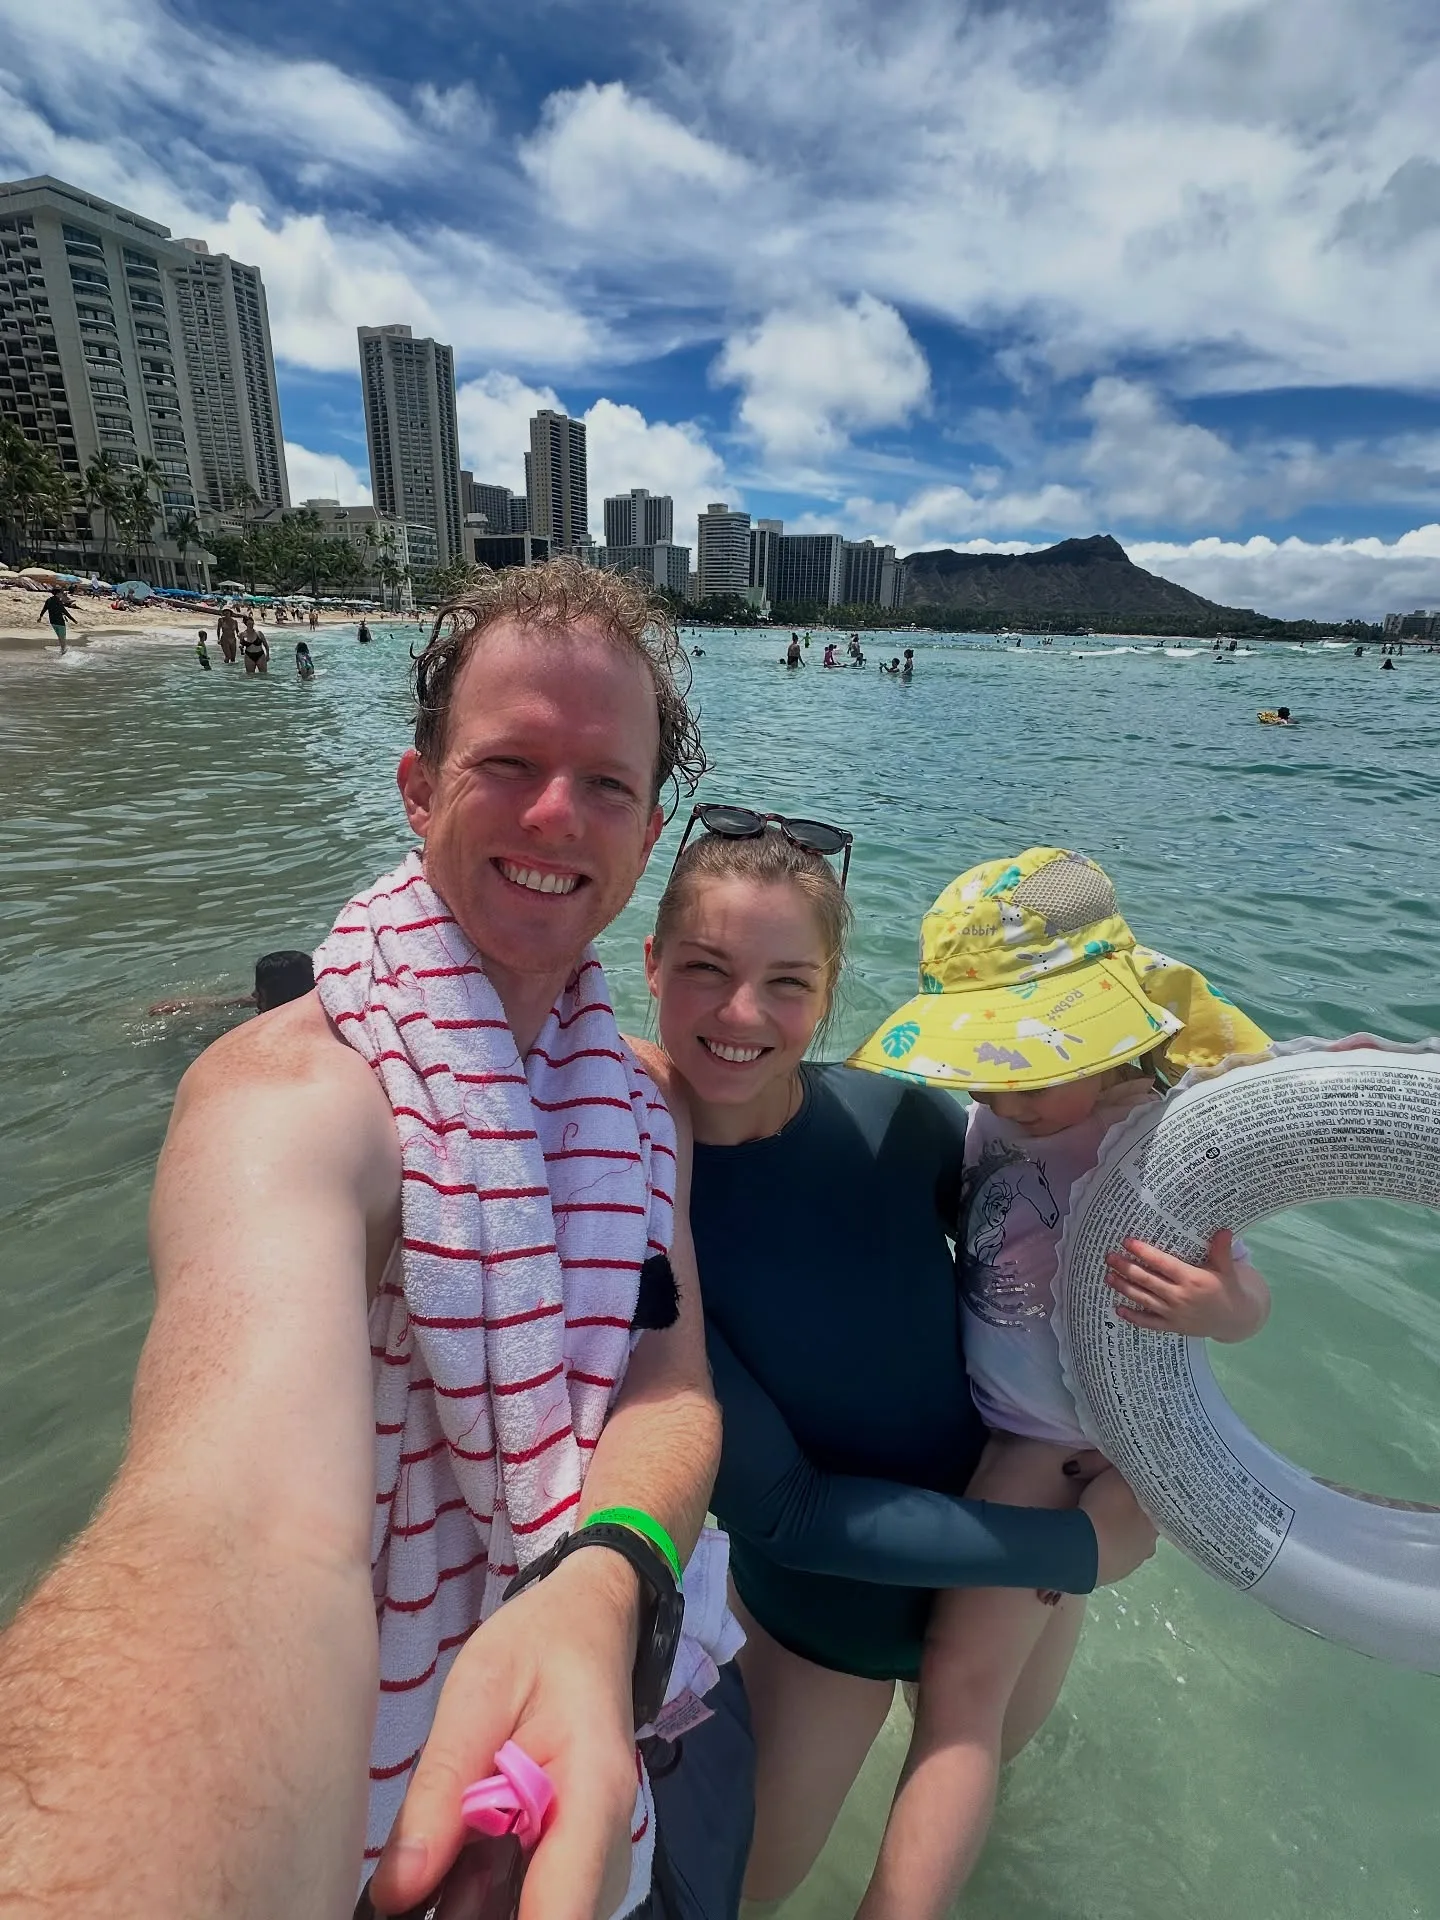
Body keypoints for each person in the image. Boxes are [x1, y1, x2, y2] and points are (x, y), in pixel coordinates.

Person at [0, 560, 732, 1920]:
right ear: (417, 789)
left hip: (574, 1768)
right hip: (354, 1826)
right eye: (509, 761)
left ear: (645, 838)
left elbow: (669, 1381)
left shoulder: (640, 1103)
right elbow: (244, 1524)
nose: (559, 813)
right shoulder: (297, 1094)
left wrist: (605, 1581)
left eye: (608, 785)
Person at [635, 822, 1165, 1914]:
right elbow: (784, 1508)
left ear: (830, 994)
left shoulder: (902, 1121)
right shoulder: (639, 1213)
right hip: (827, 1613)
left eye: (788, 982)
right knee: (727, 1902)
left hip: (1010, 1559)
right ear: (649, 964)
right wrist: (1084, 1543)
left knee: (977, 1817)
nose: (742, 1016)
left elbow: (1069, 1194)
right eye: (705, 970)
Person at [845, 847, 1273, 1920]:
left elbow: (1246, 1299)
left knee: (956, 1697)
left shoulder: (1157, 1142)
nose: (1003, 1089)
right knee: (1000, 1708)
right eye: (985, 1061)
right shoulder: (1012, 1107)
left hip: (1053, 1446)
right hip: (1022, 1426)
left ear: (1107, 1028)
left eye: (1030, 1061)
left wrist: (1218, 1310)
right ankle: (988, 1841)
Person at [148, 949, 317, 1019]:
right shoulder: (302, 994)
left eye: (259, 990)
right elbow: (239, 1001)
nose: (254, 995)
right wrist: (184, 1005)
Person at [38, 586, 74, 653]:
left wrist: (40, 617)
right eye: (61, 593)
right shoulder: (58, 601)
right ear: (58, 593)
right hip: (60, 621)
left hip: (52, 621)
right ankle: (63, 650)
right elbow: (64, 611)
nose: (62, 594)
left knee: (59, 636)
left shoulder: (48, 600)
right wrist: (73, 619)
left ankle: (62, 649)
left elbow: (44, 609)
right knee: (62, 636)